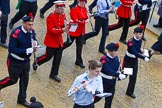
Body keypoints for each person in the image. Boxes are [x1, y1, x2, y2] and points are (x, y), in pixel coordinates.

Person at [0, 16, 37, 107]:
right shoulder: (16, 33)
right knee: (13, 79)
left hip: (25, 61)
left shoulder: (31, 31)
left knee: (25, 80)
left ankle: (21, 99)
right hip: (14, 61)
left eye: (32, 24)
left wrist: (35, 44)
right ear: (23, 23)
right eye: (28, 25)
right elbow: (12, 49)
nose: (30, 27)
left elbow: (34, 39)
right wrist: (27, 51)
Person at [32, 1, 68, 83]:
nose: (62, 10)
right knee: (48, 56)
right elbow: (51, 30)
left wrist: (67, 27)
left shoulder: (63, 15)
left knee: (58, 58)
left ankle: (54, 74)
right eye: (61, 9)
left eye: (63, 9)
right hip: (51, 41)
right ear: (56, 8)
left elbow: (63, 25)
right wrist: (62, 30)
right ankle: (37, 61)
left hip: (59, 41)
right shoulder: (50, 17)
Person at [122, 27, 149, 99]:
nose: (141, 35)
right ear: (135, 34)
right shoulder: (130, 42)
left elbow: (138, 49)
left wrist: (141, 51)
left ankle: (130, 91)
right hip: (128, 60)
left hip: (134, 61)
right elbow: (134, 52)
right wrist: (144, 57)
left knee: (133, 76)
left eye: (141, 34)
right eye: (140, 34)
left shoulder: (140, 40)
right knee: (124, 75)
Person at [99, 42, 126, 108]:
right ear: (109, 51)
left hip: (112, 83)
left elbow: (117, 69)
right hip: (103, 82)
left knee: (109, 102)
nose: (116, 52)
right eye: (114, 51)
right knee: (96, 98)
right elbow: (108, 70)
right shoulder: (104, 59)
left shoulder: (117, 58)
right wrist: (118, 75)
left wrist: (121, 72)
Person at [63, 0, 88, 68]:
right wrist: (84, 21)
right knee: (68, 43)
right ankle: (58, 49)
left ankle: (79, 61)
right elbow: (76, 21)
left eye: (84, 2)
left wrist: (84, 19)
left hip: (81, 31)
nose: (83, 3)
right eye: (82, 2)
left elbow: (85, 16)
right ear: (78, 2)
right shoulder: (74, 10)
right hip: (74, 30)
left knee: (79, 47)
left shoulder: (84, 9)